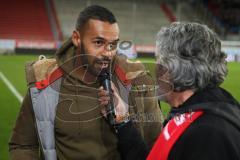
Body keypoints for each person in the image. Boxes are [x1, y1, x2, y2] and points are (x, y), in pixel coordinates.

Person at [9, 5, 163, 160]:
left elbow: (157, 146)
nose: (107, 53)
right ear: (77, 38)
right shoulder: (45, 81)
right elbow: (23, 145)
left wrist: (124, 120)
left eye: (113, 44)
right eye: (98, 43)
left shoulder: (137, 81)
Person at [98, 22, 240, 160]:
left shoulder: (208, 134)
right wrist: (122, 119)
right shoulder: (194, 112)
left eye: (158, 60)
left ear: (171, 69)